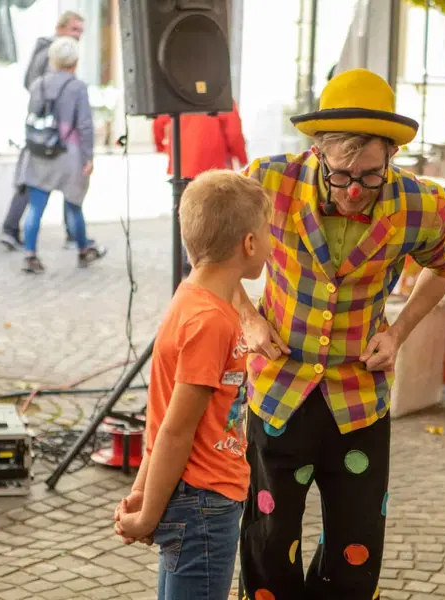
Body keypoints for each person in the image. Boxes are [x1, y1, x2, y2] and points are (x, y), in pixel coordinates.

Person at [233, 68, 445, 599]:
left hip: (359, 396)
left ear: (392, 156)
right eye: (341, 175)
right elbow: (212, 252)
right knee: (269, 538)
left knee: (355, 545)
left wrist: (399, 332)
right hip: (278, 391)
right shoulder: (268, 180)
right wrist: (248, 318)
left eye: (370, 174)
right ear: (317, 150)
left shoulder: (419, 203)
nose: (356, 190)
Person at [113, 170, 271, 599]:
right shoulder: (211, 322)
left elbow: (164, 418)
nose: (272, 243)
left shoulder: (190, 299)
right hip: (205, 502)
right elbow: (175, 430)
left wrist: (143, 492)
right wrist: (147, 515)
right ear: (249, 244)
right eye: (268, 231)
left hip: (193, 496)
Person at [0, 10, 90, 251]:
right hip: (51, 134)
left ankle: (61, 239)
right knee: (46, 189)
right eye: (74, 29)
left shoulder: (60, 56)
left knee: (38, 188)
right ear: (60, 28)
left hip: (48, 133)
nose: (78, 35)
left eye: (81, 31)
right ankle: (13, 230)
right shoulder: (53, 52)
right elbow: (33, 85)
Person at [14, 36, 105, 274]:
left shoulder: (38, 84)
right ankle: (83, 251)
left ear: (52, 60)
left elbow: (33, 117)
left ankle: (30, 255)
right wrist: (88, 157)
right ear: (74, 62)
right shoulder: (77, 87)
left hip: (39, 153)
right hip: (68, 154)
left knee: (36, 208)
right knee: (74, 205)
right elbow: (84, 125)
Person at [152, 102, 249, 276]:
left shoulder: (178, 94)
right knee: (213, 214)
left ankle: (186, 259)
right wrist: (242, 158)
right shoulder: (221, 96)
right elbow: (234, 133)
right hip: (212, 165)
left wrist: (161, 146)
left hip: (182, 164)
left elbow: (158, 122)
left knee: (185, 212)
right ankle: (209, 261)